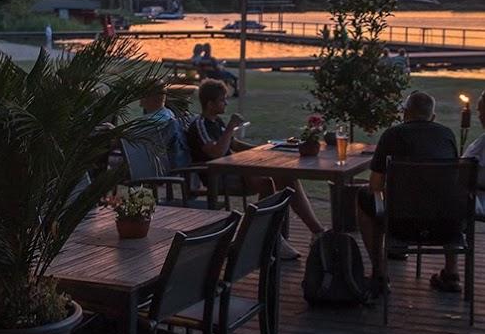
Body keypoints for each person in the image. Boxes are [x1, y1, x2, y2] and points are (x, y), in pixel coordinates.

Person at [187, 78, 324, 258]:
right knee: (267, 182)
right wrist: (230, 127)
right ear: (210, 103)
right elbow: (216, 153)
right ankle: (266, 236)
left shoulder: (217, 122)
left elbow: (232, 143)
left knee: (286, 177)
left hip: (236, 171)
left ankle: (315, 231)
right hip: (218, 177)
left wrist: (263, 150)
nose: (226, 103)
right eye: (222, 100)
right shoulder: (200, 124)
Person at [356, 90, 459, 296]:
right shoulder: (447, 135)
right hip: (446, 226)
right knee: (448, 200)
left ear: (404, 113)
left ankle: (380, 274)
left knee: (363, 197)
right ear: (433, 117)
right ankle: (451, 273)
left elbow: (375, 186)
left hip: (400, 225)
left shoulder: (392, 135)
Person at [139, 89, 190, 170]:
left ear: (147, 97)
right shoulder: (170, 115)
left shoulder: (150, 122)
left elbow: (124, 140)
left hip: (151, 168)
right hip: (169, 167)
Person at [463, 90, 485, 218]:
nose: (479, 116)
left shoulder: (481, 145)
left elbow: (465, 175)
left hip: (479, 201)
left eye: (480, 111)